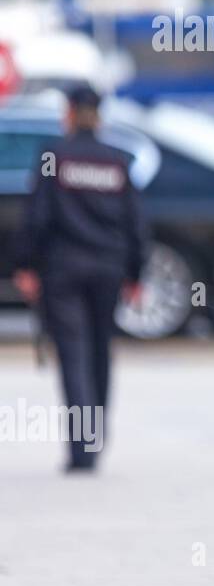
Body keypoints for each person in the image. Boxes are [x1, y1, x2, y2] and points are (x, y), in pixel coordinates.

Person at [13, 86, 147, 473]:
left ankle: (81, 451)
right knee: (100, 353)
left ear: (69, 113)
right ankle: (94, 441)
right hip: (108, 270)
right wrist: (136, 272)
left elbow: (36, 217)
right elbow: (135, 221)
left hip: (63, 271)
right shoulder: (117, 161)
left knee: (74, 356)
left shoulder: (55, 157)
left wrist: (25, 265)